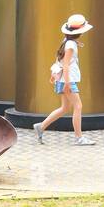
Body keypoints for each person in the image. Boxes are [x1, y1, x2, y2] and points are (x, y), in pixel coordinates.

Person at [32, 13, 96, 146]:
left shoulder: (66, 42)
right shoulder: (71, 45)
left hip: (62, 79)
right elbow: (66, 65)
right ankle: (79, 138)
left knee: (65, 108)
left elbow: (59, 60)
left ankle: (41, 127)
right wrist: (67, 84)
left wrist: (55, 76)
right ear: (80, 32)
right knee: (78, 106)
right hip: (67, 80)